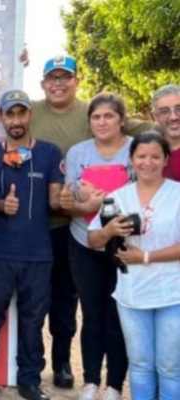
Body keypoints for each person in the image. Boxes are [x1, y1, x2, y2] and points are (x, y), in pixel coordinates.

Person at [30, 55, 153, 389]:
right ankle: (56, 374)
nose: (58, 83)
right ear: (43, 83)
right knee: (46, 301)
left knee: (86, 308)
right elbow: (1, 110)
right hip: (58, 229)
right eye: (51, 78)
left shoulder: (125, 139)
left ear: (76, 81)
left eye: (65, 77)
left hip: (112, 240)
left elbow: (150, 135)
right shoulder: (34, 113)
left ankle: (83, 374)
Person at [0, 89, 63, 400]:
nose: (15, 120)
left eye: (21, 113)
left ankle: (29, 381)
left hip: (38, 255)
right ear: (1, 117)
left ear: (29, 115)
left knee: (33, 322)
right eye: (9, 114)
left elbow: (55, 199)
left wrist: (76, 199)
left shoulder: (50, 153)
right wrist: (0, 205)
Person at [87, 132, 180, 400]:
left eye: (155, 156)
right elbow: (92, 238)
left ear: (165, 160)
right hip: (132, 293)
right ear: (131, 159)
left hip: (172, 293)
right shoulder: (117, 197)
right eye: (141, 156)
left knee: (171, 367)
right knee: (139, 366)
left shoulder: (176, 195)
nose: (147, 162)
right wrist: (109, 231)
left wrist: (146, 257)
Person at [59, 93, 132, 400]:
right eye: (96, 117)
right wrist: (84, 203)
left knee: (118, 316)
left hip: (124, 246)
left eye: (109, 116)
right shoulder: (78, 152)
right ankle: (91, 382)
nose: (102, 122)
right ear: (89, 122)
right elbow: (70, 202)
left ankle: (114, 385)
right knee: (91, 314)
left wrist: (99, 202)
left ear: (121, 120)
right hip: (82, 244)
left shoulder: (134, 150)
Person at [151, 84, 180, 181]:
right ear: (156, 117)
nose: (173, 117)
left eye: (179, 109)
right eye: (164, 112)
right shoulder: (148, 153)